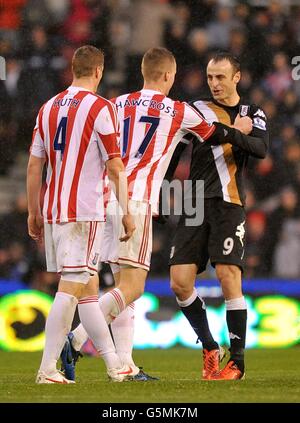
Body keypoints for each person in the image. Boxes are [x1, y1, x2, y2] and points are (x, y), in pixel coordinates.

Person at [64, 47, 253, 381]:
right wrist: (241, 131)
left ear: (142, 71)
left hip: (105, 197)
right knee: (133, 288)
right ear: (169, 76)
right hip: (135, 201)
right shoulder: (179, 111)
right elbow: (215, 134)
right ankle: (76, 339)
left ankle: (124, 365)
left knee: (121, 286)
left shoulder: (116, 103)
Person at [27, 45, 136, 384]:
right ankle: (47, 369)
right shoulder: (101, 107)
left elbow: (34, 164)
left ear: (72, 69)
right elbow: (115, 166)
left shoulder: (48, 108)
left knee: (88, 290)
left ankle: (115, 366)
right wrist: (127, 210)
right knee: (71, 288)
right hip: (84, 210)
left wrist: (34, 210)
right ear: (99, 72)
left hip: (55, 209)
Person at [168, 52, 269, 380]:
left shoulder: (253, 112)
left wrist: (224, 132)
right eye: (210, 77)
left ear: (236, 77)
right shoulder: (195, 110)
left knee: (228, 274)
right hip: (193, 200)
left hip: (229, 200)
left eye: (221, 77)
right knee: (180, 282)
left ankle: (237, 363)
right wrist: (161, 190)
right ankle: (210, 346)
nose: (214, 84)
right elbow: (175, 154)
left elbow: (260, 148)